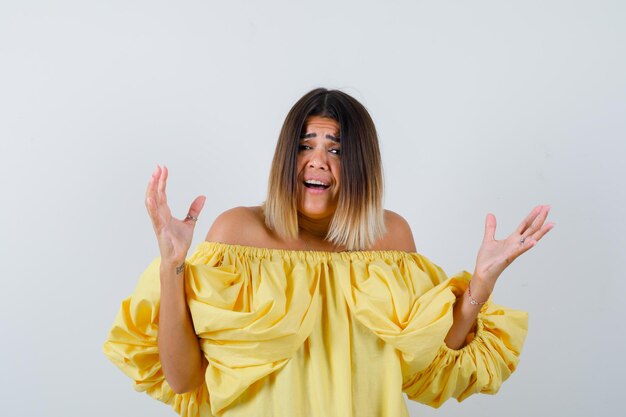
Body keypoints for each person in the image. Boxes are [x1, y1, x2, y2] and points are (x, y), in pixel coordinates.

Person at [103, 88, 553, 417]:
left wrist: (479, 287)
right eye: (305, 145)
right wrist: (172, 264)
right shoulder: (237, 234)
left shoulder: (390, 241)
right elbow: (183, 381)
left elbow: (427, 367)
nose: (317, 160)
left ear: (360, 165)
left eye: (335, 149)